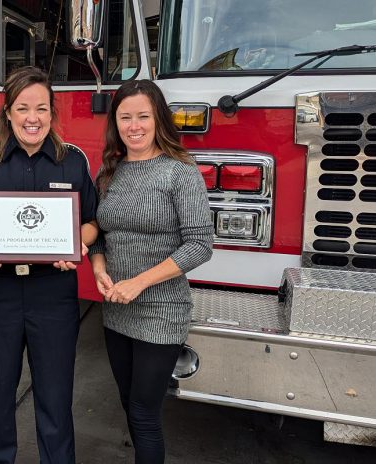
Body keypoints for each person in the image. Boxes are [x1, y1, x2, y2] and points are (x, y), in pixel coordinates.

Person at [0, 66, 98, 464]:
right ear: (7, 112)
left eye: (41, 108)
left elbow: (93, 222)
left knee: (55, 396)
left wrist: (76, 244)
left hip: (52, 294)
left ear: (52, 112)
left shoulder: (71, 161)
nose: (32, 118)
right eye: (23, 108)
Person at [89, 80, 214, 464]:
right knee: (128, 404)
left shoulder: (180, 172)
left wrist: (139, 282)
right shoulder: (110, 172)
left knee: (144, 414)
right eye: (125, 117)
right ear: (116, 123)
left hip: (162, 310)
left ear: (159, 118)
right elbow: (98, 236)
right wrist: (98, 269)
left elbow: (200, 244)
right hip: (116, 310)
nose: (134, 126)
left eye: (143, 116)